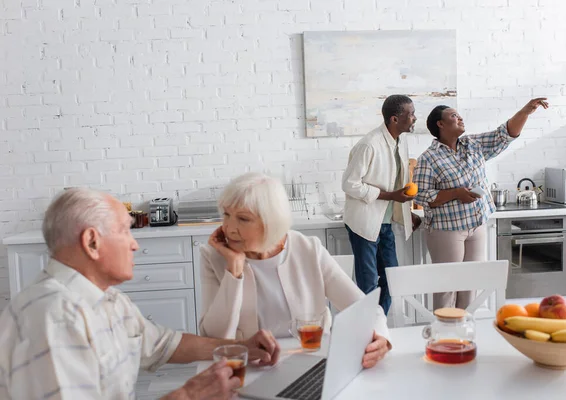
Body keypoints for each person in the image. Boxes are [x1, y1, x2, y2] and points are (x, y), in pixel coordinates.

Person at [0, 188, 280, 400]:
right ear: (92, 242)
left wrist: (243, 347)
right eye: (126, 231)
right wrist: (188, 395)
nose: (134, 244)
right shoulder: (52, 316)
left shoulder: (109, 301)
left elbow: (166, 345)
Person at [199, 172, 391, 369]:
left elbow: (365, 309)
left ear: (270, 222)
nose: (229, 228)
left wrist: (381, 338)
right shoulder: (213, 257)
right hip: (247, 368)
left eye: (243, 219)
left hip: (312, 364)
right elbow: (214, 338)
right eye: (226, 215)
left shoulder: (308, 249)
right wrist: (234, 270)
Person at [413, 98, 549, 310]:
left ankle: (465, 333)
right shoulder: (428, 158)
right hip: (446, 230)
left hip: (477, 225)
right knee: (447, 286)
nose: (460, 118)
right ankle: (443, 335)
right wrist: (456, 193)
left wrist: (525, 111)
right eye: (453, 116)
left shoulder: (473, 144)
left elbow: (504, 135)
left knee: (471, 283)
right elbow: (421, 195)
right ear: (440, 124)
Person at [341, 94, 422, 315]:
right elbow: (349, 184)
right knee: (367, 284)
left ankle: (376, 321)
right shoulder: (369, 145)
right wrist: (389, 196)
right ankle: (366, 330)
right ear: (395, 119)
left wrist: (408, 212)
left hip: (385, 222)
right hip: (364, 222)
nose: (415, 118)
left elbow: (397, 182)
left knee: (391, 278)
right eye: (411, 114)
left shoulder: (399, 141)